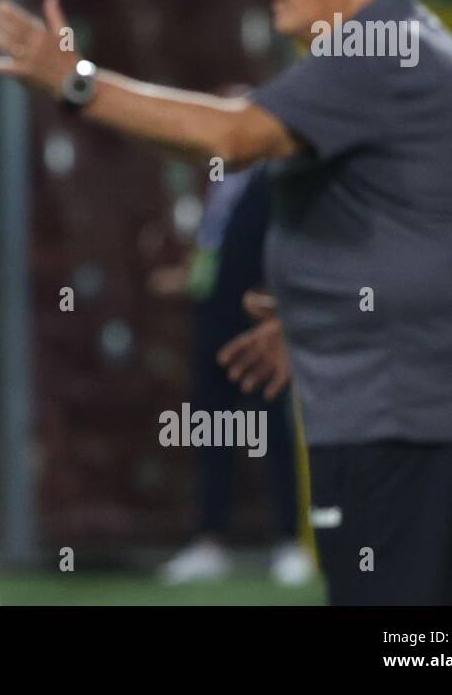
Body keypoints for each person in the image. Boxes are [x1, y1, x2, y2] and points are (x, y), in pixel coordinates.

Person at [0, 0, 452, 605]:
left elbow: (234, 137)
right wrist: (321, 318)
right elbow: (422, 228)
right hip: (449, 394)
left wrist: (76, 81)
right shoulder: (418, 46)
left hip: (403, 411)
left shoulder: (374, 47)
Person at [151, 162, 309, 586]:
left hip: (261, 326)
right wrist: (189, 279)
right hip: (213, 323)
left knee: (274, 433)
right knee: (211, 431)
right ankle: (209, 541)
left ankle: (291, 542)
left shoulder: (275, 177)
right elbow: (214, 252)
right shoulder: (216, 183)